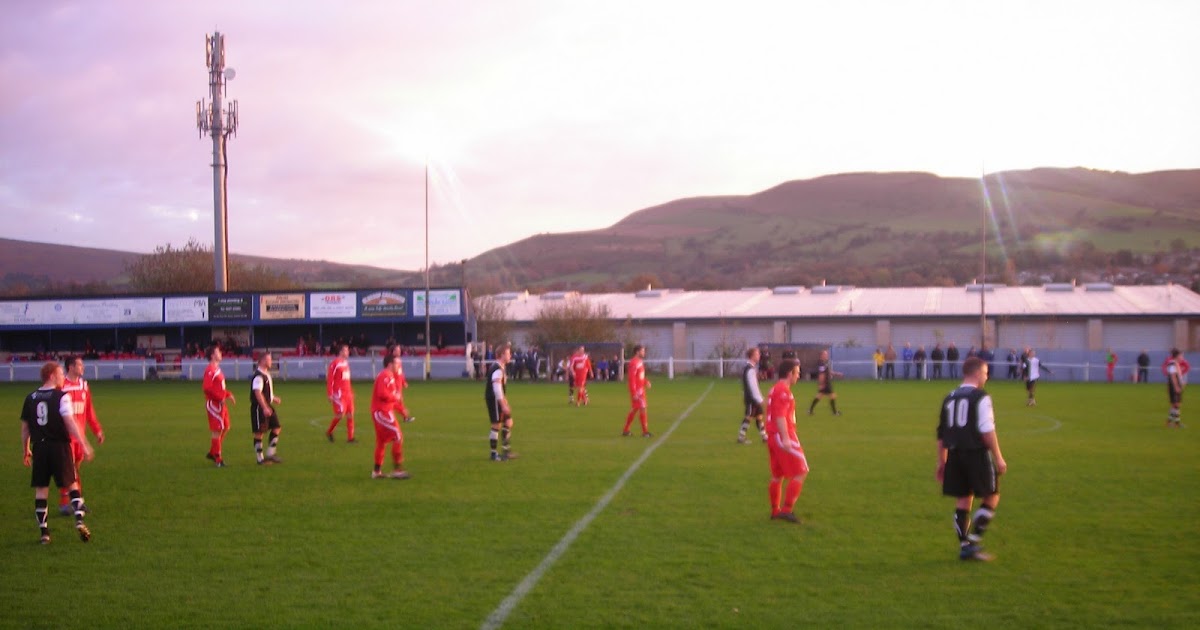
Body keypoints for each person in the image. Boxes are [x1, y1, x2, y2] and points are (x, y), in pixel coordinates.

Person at [936, 356, 1007, 561]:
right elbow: (987, 430)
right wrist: (999, 458)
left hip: (955, 455)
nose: (987, 376)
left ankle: (965, 545)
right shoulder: (981, 397)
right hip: (976, 454)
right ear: (976, 373)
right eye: (985, 373)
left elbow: (941, 434)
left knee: (963, 499)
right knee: (992, 496)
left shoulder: (949, 397)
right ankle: (973, 542)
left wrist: (942, 462)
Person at [21, 361, 94, 544]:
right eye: (60, 374)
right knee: (72, 484)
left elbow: (25, 429)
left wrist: (26, 450)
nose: (62, 377)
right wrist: (84, 444)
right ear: (52, 376)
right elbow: (70, 422)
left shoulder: (30, 398)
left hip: (40, 448)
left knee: (41, 491)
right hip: (60, 447)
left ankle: (44, 534)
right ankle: (79, 520)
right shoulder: (62, 397)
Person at [59, 355, 105, 516]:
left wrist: (97, 430)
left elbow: (89, 411)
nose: (83, 368)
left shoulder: (84, 386)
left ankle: (75, 502)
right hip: (65, 437)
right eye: (80, 365)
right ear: (71, 367)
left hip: (80, 437)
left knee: (75, 470)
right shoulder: (61, 386)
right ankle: (67, 504)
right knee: (70, 470)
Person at [765, 358, 808, 524]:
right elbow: (780, 416)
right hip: (783, 435)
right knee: (801, 471)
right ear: (790, 374)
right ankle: (787, 510)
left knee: (777, 475)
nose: (799, 376)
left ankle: (775, 511)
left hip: (772, 436)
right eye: (797, 373)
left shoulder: (774, 389)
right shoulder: (783, 391)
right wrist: (785, 438)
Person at [370, 354, 411, 478]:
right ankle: (397, 470)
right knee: (398, 437)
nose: (398, 366)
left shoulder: (389, 376)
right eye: (396, 363)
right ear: (389, 364)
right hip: (382, 412)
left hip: (384, 411)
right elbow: (382, 394)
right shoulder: (385, 375)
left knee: (382, 442)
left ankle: (376, 472)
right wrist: (396, 397)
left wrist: (401, 410)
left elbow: (391, 399)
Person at [203, 345, 235, 467]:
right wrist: (220, 398)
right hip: (214, 404)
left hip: (220, 403)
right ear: (212, 355)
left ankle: (213, 452)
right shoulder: (210, 369)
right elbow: (207, 388)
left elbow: (219, 388)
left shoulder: (216, 369)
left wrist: (228, 394)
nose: (221, 353)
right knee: (217, 430)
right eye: (218, 351)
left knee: (226, 426)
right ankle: (218, 459)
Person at [485, 344, 518, 461]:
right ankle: (493, 454)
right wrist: (503, 404)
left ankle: (506, 450)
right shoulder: (498, 369)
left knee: (508, 422)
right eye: (508, 353)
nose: (510, 355)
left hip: (498, 399)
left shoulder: (500, 367)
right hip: (494, 399)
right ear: (501, 355)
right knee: (496, 424)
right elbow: (497, 388)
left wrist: (505, 400)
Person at [250, 353, 283, 465]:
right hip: (260, 407)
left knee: (277, 427)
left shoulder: (266, 374)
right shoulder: (259, 376)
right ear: (262, 361)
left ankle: (270, 453)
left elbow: (265, 391)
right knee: (259, 432)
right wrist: (264, 407)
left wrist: (273, 398)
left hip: (267, 405)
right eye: (269, 360)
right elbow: (257, 392)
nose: (271, 362)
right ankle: (260, 459)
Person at [325, 343, 356, 443]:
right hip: (338, 393)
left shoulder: (346, 363)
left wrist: (351, 391)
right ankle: (329, 431)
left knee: (350, 414)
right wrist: (330, 393)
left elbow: (347, 380)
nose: (348, 352)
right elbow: (330, 379)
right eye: (346, 350)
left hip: (347, 394)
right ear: (341, 352)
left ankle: (350, 438)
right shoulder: (335, 363)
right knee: (340, 414)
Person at [739, 347, 768, 443]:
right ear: (752, 356)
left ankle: (764, 437)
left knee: (759, 416)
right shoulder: (750, 369)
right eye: (757, 354)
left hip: (753, 398)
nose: (759, 356)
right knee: (749, 416)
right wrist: (760, 399)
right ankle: (741, 437)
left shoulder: (751, 368)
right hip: (752, 399)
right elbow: (753, 387)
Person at [622, 345, 652, 437]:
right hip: (638, 391)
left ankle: (626, 430)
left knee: (635, 409)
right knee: (642, 408)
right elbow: (631, 379)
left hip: (640, 389)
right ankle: (645, 432)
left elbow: (639, 377)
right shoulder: (634, 363)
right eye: (642, 351)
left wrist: (645, 381)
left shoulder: (639, 362)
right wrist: (634, 392)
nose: (644, 353)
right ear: (637, 352)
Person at [807, 350, 842, 416]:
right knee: (832, 396)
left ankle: (810, 410)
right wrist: (821, 384)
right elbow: (821, 374)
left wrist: (837, 374)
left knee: (819, 396)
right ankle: (835, 412)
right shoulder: (821, 364)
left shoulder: (824, 363)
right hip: (826, 383)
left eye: (827, 354)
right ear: (822, 355)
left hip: (826, 383)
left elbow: (828, 371)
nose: (827, 356)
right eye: (825, 354)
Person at [1165, 348, 1185, 428]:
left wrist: (1182, 383)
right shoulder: (1172, 364)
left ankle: (1169, 422)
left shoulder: (1175, 363)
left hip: (1175, 386)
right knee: (1176, 404)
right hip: (1173, 387)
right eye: (1181, 356)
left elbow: (1177, 376)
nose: (1182, 357)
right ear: (1177, 356)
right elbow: (1173, 377)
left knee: (1175, 405)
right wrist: (1176, 386)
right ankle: (1177, 423)